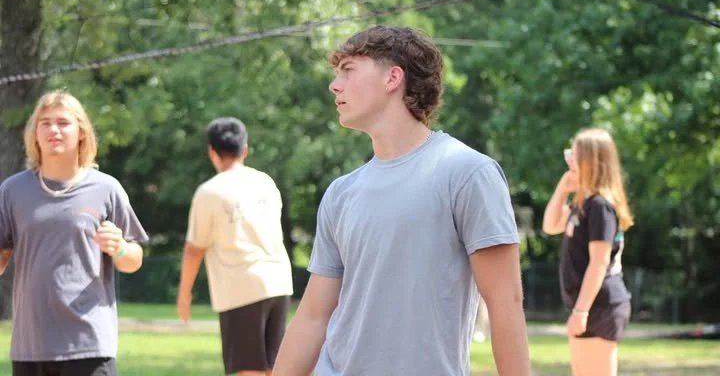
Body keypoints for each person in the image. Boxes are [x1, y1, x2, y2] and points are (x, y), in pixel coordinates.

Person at [273, 26, 530, 376]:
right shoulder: (341, 194)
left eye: (348, 70)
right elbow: (313, 317)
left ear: (392, 78)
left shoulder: (468, 173)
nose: (335, 85)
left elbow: (505, 304)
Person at [0, 90, 148, 376]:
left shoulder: (106, 189)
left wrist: (119, 248)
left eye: (63, 122)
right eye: (45, 123)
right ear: (35, 133)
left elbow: (134, 259)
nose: (53, 130)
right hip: (31, 346)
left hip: (89, 344)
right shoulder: (12, 191)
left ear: (81, 132)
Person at [177, 117, 293, 376]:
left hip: (241, 286)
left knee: (249, 369)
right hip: (278, 282)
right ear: (245, 149)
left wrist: (184, 294)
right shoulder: (265, 183)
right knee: (275, 368)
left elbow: (195, 248)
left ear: (211, 151)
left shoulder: (210, 191)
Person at [543, 127, 634, 376]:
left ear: (592, 161)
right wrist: (563, 188)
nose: (570, 161)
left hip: (600, 305)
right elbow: (550, 225)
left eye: (575, 155)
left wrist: (581, 311)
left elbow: (599, 263)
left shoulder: (599, 207)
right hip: (588, 306)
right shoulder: (583, 204)